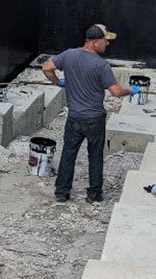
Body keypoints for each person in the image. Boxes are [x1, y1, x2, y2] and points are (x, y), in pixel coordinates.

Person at [41, 24, 141, 203]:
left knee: (68, 154)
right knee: (95, 157)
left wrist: (58, 82)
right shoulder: (101, 65)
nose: (108, 44)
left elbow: (46, 68)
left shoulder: (69, 55)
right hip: (94, 119)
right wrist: (131, 91)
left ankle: (62, 192)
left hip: (74, 118)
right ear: (95, 42)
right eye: (105, 40)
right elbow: (116, 91)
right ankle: (94, 194)